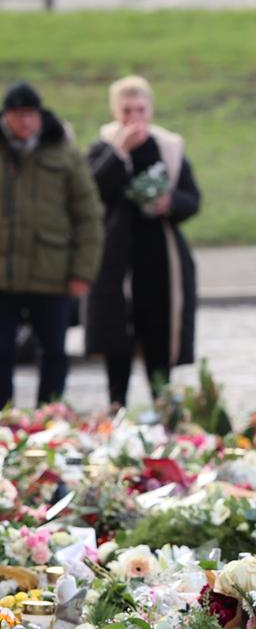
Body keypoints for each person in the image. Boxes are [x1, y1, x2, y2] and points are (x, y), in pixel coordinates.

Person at [0, 81, 103, 411]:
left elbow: (88, 215)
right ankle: (2, 416)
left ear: (40, 116)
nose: (25, 122)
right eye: (18, 115)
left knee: (54, 350)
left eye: (31, 115)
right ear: (6, 117)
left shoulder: (64, 154)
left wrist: (82, 271)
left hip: (51, 272)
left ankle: (49, 413)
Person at [86, 75, 200, 407]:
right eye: (126, 110)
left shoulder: (168, 148)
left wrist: (170, 203)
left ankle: (163, 407)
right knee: (117, 339)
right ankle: (117, 405)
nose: (134, 117)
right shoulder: (103, 147)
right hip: (117, 259)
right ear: (115, 112)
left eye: (140, 109)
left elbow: (192, 199)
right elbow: (92, 192)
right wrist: (120, 153)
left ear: (150, 109)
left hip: (159, 260)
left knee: (159, 335)